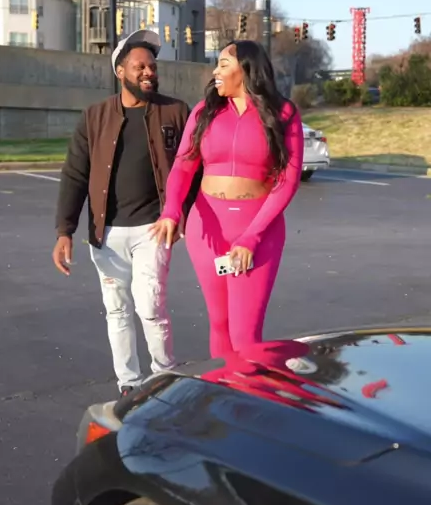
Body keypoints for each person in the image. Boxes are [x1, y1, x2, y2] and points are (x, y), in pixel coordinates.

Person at [53, 29, 198, 396]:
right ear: (120, 72)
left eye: (152, 66)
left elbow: (193, 167)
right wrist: (64, 230)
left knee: (151, 306)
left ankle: (165, 377)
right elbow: (75, 174)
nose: (149, 72)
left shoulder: (175, 111)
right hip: (106, 233)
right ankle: (129, 384)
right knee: (117, 310)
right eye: (140, 67)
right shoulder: (95, 117)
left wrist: (180, 214)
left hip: (154, 228)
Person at [150, 40, 304, 358]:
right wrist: (171, 211)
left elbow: (287, 182)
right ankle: (223, 387)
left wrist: (251, 237)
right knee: (220, 324)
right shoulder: (205, 111)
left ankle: (252, 389)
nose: (215, 72)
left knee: (245, 334)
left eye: (223, 64)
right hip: (207, 232)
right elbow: (183, 166)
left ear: (245, 70)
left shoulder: (283, 113)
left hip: (257, 233)